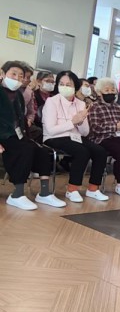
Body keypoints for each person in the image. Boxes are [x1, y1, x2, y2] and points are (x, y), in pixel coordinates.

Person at [0, 61, 65, 210]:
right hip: (3, 136)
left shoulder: (18, 95)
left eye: (20, 76)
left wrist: (26, 136)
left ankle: (44, 193)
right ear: (3, 73)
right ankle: (17, 194)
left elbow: (21, 119)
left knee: (42, 150)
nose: (17, 78)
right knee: (24, 149)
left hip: (17, 135)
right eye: (13, 74)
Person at [42, 70, 109, 203]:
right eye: (61, 84)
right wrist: (72, 122)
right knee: (82, 152)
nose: (64, 87)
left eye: (68, 84)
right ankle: (72, 189)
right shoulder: (51, 101)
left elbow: (84, 133)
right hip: (54, 137)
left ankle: (93, 189)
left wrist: (81, 121)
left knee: (100, 151)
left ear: (75, 87)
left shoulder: (81, 104)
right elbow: (50, 130)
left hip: (75, 137)